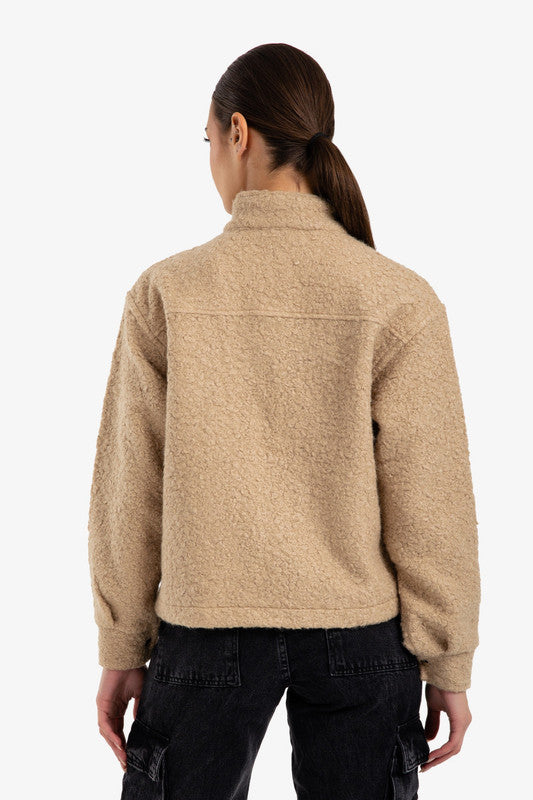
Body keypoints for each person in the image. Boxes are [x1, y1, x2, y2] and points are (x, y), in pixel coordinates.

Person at [87, 43, 481, 800]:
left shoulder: (167, 291)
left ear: (237, 132)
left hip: (203, 631)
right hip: (362, 637)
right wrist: (448, 660)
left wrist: (121, 642)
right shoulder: (397, 297)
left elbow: (129, 488)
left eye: (207, 138)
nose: (209, 158)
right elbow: (431, 498)